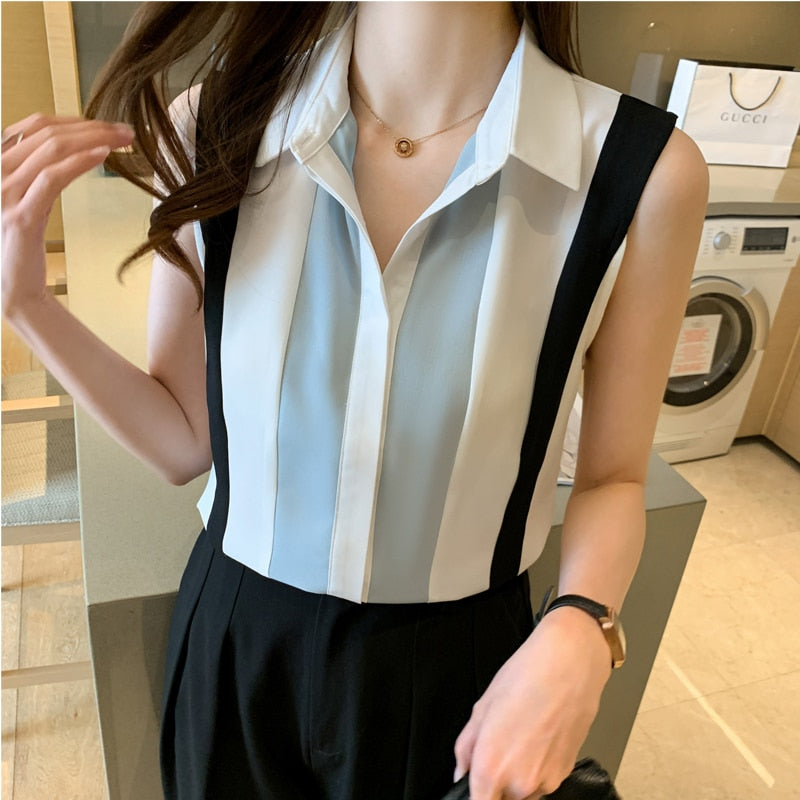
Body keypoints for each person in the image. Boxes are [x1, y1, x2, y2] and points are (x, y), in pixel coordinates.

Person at [1, 3, 708, 799]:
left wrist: (583, 623)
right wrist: (27, 302)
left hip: (464, 670)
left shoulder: (639, 172)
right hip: (237, 650)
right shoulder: (217, 122)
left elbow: (614, 478)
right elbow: (182, 441)